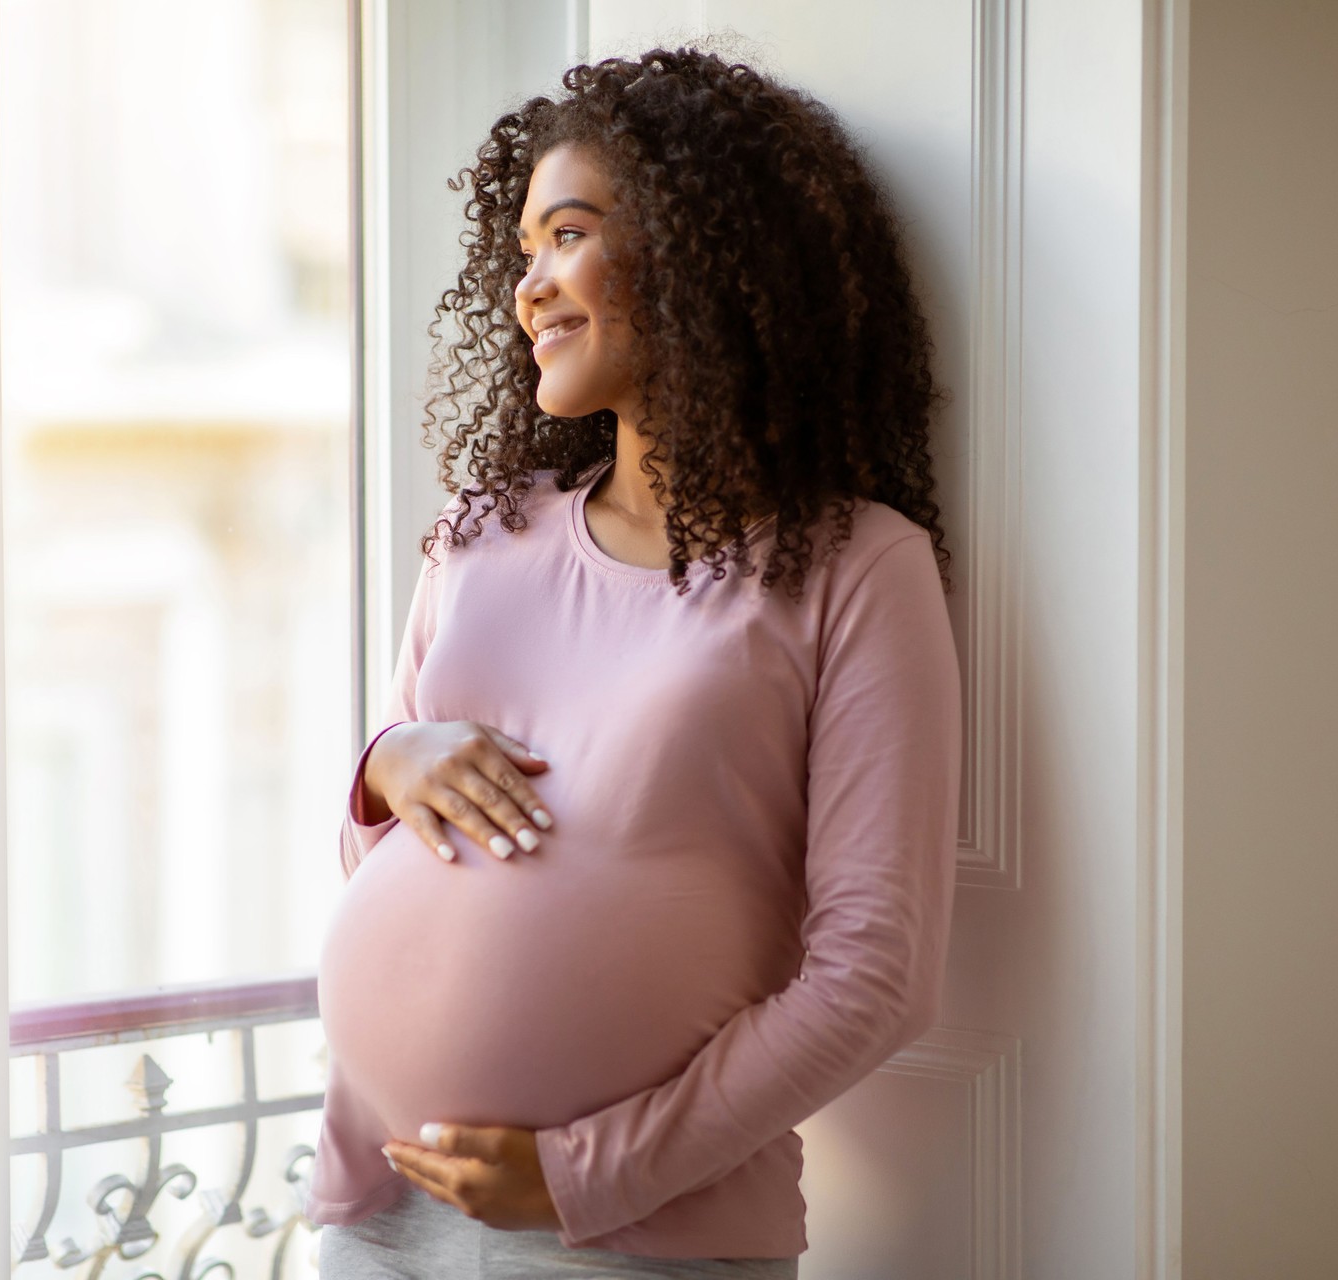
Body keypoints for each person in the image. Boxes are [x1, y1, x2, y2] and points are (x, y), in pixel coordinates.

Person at [306, 45, 963, 1278]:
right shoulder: (480, 534)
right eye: (522, 255)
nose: (531, 288)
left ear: (701, 250)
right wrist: (388, 764)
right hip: (378, 1209)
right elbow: (373, 858)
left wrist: (587, 1174)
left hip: (630, 1242)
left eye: (567, 235)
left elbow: (878, 973)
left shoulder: (856, 569)